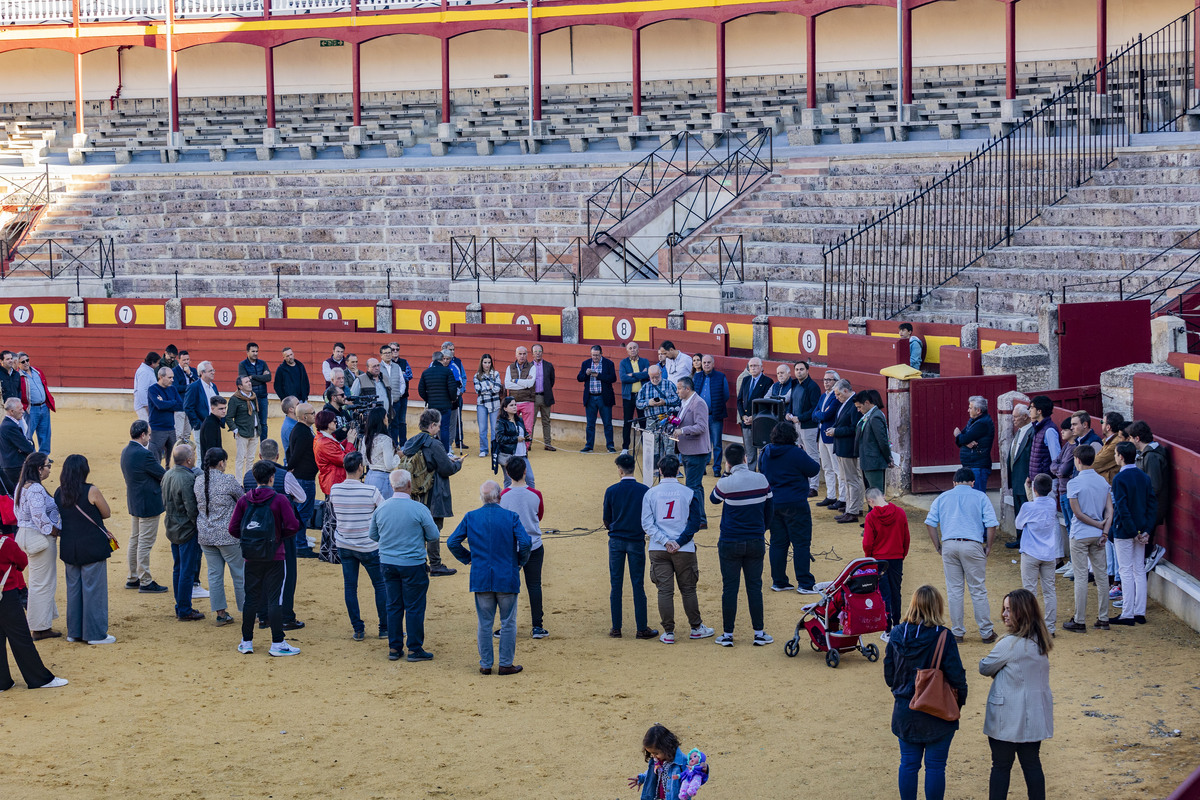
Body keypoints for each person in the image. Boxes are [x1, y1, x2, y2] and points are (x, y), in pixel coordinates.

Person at [883, 585, 968, 800]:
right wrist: (957, 704)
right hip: (937, 710)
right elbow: (957, 676)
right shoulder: (943, 636)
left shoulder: (896, 633)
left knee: (909, 764)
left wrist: (901, 691)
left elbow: (889, 675)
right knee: (936, 767)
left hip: (905, 710)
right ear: (936, 607)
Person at [447, 480, 532, 675]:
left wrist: (469, 559)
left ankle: (486, 663)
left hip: (482, 575)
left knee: (484, 623)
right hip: (506, 575)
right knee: (508, 621)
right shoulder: (511, 517)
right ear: (500, 497)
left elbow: (452, 542)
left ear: (482, 498)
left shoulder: (471, 517)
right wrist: (519, 561)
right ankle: (505, 663)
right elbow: (525, 543)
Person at [980, 589, 1054, 800]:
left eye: (1009, 610)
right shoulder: (1041, 642)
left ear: (1021, 613)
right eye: (1004, 609)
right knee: (1032, 765)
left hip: (1006, 718)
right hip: (1034, 717)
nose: (1004, 614)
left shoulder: (1008, 644)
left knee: (1001, 767)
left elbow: (985, 667)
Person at [229, 460, 301, 657]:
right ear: (272, 478)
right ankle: (277, 642)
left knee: (251, 598)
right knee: (274, 598)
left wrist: (250, 541)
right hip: (275, 555)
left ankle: (246, 641)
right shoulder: (279, 500)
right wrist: (278, 537)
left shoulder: (244, 500)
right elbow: (293, 526)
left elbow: (233, 528)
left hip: (251, 556)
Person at [371, 469, 439, 662]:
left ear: (392, 486)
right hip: (413, 563)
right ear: (409, 485)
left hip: (388, 563)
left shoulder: (381, 508)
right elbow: (433, 535)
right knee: (414, 606)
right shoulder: (419, 509)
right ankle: (414, 648)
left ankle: (394, 647)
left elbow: (373, 535)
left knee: (393, 605)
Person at [709, 443, 773, 647]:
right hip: (755, 539)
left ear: (727, 463)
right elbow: (769, 510)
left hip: (730, 540)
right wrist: (761, 529)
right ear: (746, 458)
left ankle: (728, 634)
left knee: (730, 588)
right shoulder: (761, 479)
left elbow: (714, 499)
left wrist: (726, 475)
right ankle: (759, 632)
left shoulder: (726, 483)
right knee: (755, 587)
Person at [924, 467, 998, 644]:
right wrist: (988, 546)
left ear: (954, 483)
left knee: (954, 590)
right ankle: (986, 632)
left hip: (949, 544)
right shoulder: (980, 496)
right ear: (972, 482)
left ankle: (957, 632)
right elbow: (991, 524)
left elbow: (930, 523)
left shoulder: (943, 497)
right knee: (978, 589)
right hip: (972, 544)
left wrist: (938, 546)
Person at [642, 454, 709, 644]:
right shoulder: (688, 492)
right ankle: (696, 628)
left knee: (664, 591)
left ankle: (669, 632)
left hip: (658, 548)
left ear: (660, 471)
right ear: (679, 471)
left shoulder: (651, 493)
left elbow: (647, 524)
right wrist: (679, 542)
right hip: (684, 549)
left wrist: (665, 541)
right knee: (688, 589)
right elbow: (695, 523)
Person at [242, 439, 306, 631]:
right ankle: (285, 616)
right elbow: (302, 497)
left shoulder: (247, 476)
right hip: (281, 534)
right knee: (286, 576)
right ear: (278, 456)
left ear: (260, 456)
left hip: (254, 535)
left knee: (258, 575)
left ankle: (263, 617)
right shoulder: (285, 476)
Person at [54, 454, 115, 644]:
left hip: (69, 547)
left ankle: (74, 632)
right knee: (93, 591)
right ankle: (95, 634)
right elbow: (106, 513)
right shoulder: (91, 490)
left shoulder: (59, 492)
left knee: (74, 591)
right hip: (91, 546)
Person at [329, 451, 387, 642]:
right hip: (368, 545)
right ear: (361, 467)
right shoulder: (371, 491)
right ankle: (384, 627)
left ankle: (358, 629)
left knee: (350, 587)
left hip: (345, 544)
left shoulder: (335, 490)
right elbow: (384, 513)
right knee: (380, 585)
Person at [0, 530, 67, 690]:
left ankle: (2, 681)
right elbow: (22, 562)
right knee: (21, 638)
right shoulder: (6, 544)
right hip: (7, 595)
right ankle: (39, 678)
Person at [758, 421, 820, 593]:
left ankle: (779, 581)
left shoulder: (766, 452)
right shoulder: (795, 452)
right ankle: (805, 583)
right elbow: (814, 469)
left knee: (778, 542)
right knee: (801, 543)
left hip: (773, 502)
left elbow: (761, 471)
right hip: (795, 503)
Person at [400, 409, 462, 577]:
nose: (439, 428)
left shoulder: (412, 441)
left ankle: (420, 562)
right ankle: (435, 564)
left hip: (416, 491)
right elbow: (446, 469)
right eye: (438, 425)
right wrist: (458, 464)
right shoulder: (434, 443)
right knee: (434, 527)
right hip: (434, 491)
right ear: (433, 425)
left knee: (419, 528)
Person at [603, 453, 655, 640]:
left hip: (616, 540)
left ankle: (616, 628)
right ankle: (641, 628)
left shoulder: (611, 491)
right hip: (635, 540)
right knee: (637, 584)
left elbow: (606, 520)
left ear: (620, 470)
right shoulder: (644, 490)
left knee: (616, 584)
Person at [1063, 444, 1112, 633]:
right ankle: (1103, 618)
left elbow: (1078, 513)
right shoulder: (1102, 481)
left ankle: (1080, 620)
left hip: (1081, 534)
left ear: (1077, 460)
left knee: (1081, 576)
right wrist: (1104, 530)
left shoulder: (1073, 483)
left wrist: (1098, 525)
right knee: (1101, 576)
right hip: (1098, 535)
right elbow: (1110, 510)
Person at [195, 447, 245, 626]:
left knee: (214, 575)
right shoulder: (228, 480)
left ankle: (221, 614)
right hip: (227, 536)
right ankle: (247, 611)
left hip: (206, 534)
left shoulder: (199, 481)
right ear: (222, 463)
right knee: (239, 574)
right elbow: (243, 499)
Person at [500, 458, 548, 639]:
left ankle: (506, 625)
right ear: (525, 472)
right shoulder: (536, 494)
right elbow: (539, 515)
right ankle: (537, 626)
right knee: (534, 585)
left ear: (508, 474)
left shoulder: (503, 495)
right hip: (533, 543)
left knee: (508, 588)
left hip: (511, 547)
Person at [15, 453, 61, 639]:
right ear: (39, 469)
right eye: (47, 465)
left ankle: (42, 623)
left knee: (37, 581)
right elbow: (39, 517)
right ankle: (40, 627)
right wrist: (55, 531)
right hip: (39, 538)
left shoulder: (21, 486)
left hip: (26, 535)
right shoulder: (35, 489)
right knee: (43, 583)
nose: (49, 468)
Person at [120, 420, 168, 594]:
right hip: (148, 503)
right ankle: (145, 581)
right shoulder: (144, 454)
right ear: (142, 435)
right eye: (148, 433)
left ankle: (133, 577)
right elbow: (162, 474)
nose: (150, 436)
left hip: (135, 501)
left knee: (135, 539)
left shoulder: (126, 451)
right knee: (145, 543)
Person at [1110, 441, 1155, 626]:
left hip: (1124, 530)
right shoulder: (1144, 477)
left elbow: (1122, 507)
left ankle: (1127, 613)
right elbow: (1152, 506)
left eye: (1115, 454)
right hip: (1141, 530)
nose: (1114, 456)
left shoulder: (1119, 479)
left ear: (1120, 456)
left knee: (1126, 570)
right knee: (1139, 569)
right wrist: (1145, 531)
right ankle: (1139, 612)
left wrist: (1133, 531)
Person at [161, 444, 205, 622]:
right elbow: (191, 509)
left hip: (171, 525)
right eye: (193, 455)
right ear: (188, 460)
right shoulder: (187, 478)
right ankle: (185, 609)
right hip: (186, 528)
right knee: (187, 569)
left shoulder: (168, 474)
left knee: (178, 568)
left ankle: (181, 606)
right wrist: (199, 525)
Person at [1013, 473, 1060, 636]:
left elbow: (1018, 524)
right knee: (1049, 591)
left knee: (1029, 591)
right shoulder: (1052, 503)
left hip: (1031, 553)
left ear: (1034, 489)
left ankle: (1030, 627)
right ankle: (1050, 628)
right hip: (1048, 553)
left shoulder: (1028, 507)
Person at [863, 488, 910, 635]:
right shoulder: (900, 513)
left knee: (884, 593)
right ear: (883, 496)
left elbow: (867, 543)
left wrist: (869, 558)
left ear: (870, 501)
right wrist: (902, 555)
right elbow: (906, 538)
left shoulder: (871, 517)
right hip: (896, 557)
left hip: (879, 560)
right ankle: (897, 624)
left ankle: (887, 628)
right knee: (896, 592)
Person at [1127, 420, 1169, 571]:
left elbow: (1154, 486)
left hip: (1151, 507)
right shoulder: (1148, 454)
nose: (1130, 441)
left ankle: (1153, 551)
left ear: (1137, 438)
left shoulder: (1151, 456)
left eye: (1131, 438)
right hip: (1149, 505)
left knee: (1143, 544)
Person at [674, 376, 711, 528]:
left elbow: (701, 427)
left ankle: (697, 519)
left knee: (692, 486)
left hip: (696, 451)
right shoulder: (686, 402)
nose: (677, 392)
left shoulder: (698, 403)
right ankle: (700, 518)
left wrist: (682, 430)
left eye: (679, 388)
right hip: (689, 449)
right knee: (695, 486)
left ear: (687, 389)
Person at [829, 379, 864, 524]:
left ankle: (853, 511)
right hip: (843, 447)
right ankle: (852, 508)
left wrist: (836, 431)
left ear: (845, 390)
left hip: (848, 448)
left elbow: (855, 428)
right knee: (847, 479)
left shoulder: (854, 404)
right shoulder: (847, 404)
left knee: (851, 480)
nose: (837, 397)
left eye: (838, 394)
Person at [286, 403, 319, 558]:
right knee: (303, 513)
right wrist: (291, 467)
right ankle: (300, 545)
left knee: (301, 512)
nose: (315, 415)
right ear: (305, 417)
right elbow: (297, 454)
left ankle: (299, 544)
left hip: (302, 476)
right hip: (304, 478)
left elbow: (289, 451)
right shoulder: (304, 432)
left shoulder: (298, 430)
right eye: (312, 413)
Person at [629, 724, 695, 800]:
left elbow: (694, 775)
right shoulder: (657, 761)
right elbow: (653, 773)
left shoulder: (682, 761)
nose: (653, 756)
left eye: (656, 753)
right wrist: (642, 778)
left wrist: (703, 771)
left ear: (666, 747)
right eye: (651, 753)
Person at [786, 361, 821, 497]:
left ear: (807, 370)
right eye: (796, 369)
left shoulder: (813, 387)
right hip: (796, 424)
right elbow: (792, 402)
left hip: (808, 425)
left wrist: (800, 417)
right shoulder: (794, 384)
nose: (798, 372)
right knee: (800, 453)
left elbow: (814, 408)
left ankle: (814, 486)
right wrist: (788, 413)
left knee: (812, 454)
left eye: (801, 369)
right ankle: (803, 483)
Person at [693, 355, 729, 478]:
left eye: (709, 362)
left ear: (713, 364)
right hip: (700, 417)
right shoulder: (696, 377)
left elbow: (726, 395)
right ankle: (702, 467)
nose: (706, 364)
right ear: (701, 364)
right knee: (702, 443)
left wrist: (715, 407)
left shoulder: (720, 377)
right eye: (704, 362)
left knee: (717, 443)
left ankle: (717, 468)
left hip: (715, 415)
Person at [577, 345, 617, 453]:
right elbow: (579, 378)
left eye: (597, 355)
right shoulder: (586, 363)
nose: (595, 357)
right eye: (593, 355)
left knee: (607, 423)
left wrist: (598, 375)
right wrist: (586, 374)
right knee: (590, 424)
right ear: (591, 354)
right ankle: (589, 446)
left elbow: (613, 378)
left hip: (603, 397)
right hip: (590, 397)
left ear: (601, 354)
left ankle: (610, 446)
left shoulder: (609, 363)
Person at [1048, 417, 1077, 568]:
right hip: (1063, 489)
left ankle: (1074, 562)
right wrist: (1060, 471)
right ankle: (1072, 561)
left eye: (1065, 430)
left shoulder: (1073, 448)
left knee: (1072, 527)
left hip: (1068, 491)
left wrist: (1059, 470)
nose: (1062, 432)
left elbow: (1063, 469)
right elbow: (1055, 465)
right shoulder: (1067, 446)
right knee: (1068, 525)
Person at [813, 371, 844, 511]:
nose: (826, 382)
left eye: (829, 380)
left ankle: (842, 498)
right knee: (826, 467)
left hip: (831, 435)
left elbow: (826, 415)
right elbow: (815, 414)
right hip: (822, 435)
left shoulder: (836, 397)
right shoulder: (823, 396)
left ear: (836, 381)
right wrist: (821, 414)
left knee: (837, 468)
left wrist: (820, 414)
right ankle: (831, 495)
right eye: (824, 379)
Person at [1005, 404, 1034, 549]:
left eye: (1016, 417)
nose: (1013, 420)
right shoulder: (1020, 432)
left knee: (1025, 510)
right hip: (1017, 478)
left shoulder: (1032, 432)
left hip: (1025, 479)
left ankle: (1026, 540)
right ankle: (1020, 538)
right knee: (1019, 510)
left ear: (1025, 416)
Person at [418, 350, 458, 452]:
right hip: (445, 405)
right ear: (441, 359)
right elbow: (452, 389)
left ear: (433, 359)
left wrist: (428, 399)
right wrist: (452, 399)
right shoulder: (447, 372)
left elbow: (421, 390)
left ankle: (431, 450)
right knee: (444, 428)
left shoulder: (426, 372)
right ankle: (445, 451)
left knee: (431, 428)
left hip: (432, 405)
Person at [736, 357, 772, 467]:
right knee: (750, 453)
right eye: (751, 366)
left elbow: (767, 403)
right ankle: (751, 476)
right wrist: (743, 416)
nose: (753, 368)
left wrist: (754, 417)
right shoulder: (746, 380)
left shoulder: (767, 381)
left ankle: (763, 477)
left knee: (762, 452)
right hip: (746, 422)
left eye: (756, 366)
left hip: (760, 423)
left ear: (761, 368)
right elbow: (739, 400)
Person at [953, 396, 995, 492]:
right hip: (972, 465)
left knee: (976, 495)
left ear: (978, 410)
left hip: (977, 466)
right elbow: (962, 438)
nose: (968, 410)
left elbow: (962, 437)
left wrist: (960, 437)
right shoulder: (974, 420)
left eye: (970, 408)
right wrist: (965, 441)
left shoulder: (982, 423)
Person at [855, 389, 891, 496]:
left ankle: (877, 513)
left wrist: (888, 458)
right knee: (872, 493)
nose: (858, 410)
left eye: (859, 407)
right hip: (869, 461)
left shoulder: (875, 416)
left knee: (876, 493)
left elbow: (882, 441)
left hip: (874, 462)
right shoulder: (872, 415)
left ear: (866, 403)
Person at [493, 397, 535, 489]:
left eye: (515, 405)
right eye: (511, 405)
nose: (515, 407)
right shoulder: (501, 422)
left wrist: (527, 437)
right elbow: (500, 438)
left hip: (522, 454)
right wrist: (516, 439)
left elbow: (524, 432)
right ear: (505, 408)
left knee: (530, 479)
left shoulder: (519, 420)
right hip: (508, 455)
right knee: (509, 480)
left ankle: (531, 498)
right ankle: (506, 501)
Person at [16, 352, 53, 455]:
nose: (26, 363)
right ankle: (32, 456)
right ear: (18, 364)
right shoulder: (18, 376)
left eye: (27, 360)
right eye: (23, 362)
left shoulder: (37, 371)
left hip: (44, 406)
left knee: (45, 433)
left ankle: (44, 456)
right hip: (30, 409)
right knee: (28, 434)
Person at [314, 409, 356, 498]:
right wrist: (350, 442)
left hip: (335, 481)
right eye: (334, 421)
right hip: (334, 482)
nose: (336, 423)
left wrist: (348, 440)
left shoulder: (326, 438)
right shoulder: (324, 442)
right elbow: (344, 459)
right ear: (328, 424)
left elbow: (337, 449)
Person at [619, 341, 651, 455]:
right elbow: (623, 378)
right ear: (627, 351)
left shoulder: (645, 361)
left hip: (642, 397)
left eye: (634, 348)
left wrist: (632, 374)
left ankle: (645, 447)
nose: (632, 350)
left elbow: (647, 375)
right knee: (627, 422)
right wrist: (639, 376)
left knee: (644, 422)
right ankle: (625, 448)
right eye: (630, 348)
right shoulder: (623, 363)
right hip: (629, 396)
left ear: (638, 349)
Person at [359, 407, 398, 500]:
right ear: (382, 420)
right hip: (383, 478)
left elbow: (363, 462)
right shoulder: (386, 440)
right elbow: (389, 465)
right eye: (386, 417)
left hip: (369, 476)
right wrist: (397, 456)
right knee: (384, 510)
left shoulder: (366, 438)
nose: (387, 419)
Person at [147, 366, 182, 468]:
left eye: (172, 377)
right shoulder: (153, 389)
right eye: (170, 377)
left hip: (171, 428)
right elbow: (159, 405)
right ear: (161, 377)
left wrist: (166, 403)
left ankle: (168, 482)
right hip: (157, 429)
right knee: (155, 458)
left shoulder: (173, 389)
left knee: (172, 459)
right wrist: (172, 402)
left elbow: (180, 405)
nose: (172, 380)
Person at [227, 376, 260, 481]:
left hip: (254, 431)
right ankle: (239, 482)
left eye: (249, 381)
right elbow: (228, 417)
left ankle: (248, 481)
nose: (250, 383)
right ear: (240, 386)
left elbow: (256, 414)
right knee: (240, 459)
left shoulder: (253, 396)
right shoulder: (234, 399)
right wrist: (235, 430)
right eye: (246, 382)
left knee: (250, 459)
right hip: (242, 432)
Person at [379, 344, 412, 447]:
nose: (388, 355)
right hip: (383, 402)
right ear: (381, 355)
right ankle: (386, 446)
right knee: (384, 424)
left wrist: (399, 393)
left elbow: (402, 383)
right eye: (386, 353)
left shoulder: (397, 366)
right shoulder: (378, 367)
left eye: (389, 352)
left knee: (395, 423)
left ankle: (394, 445)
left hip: (396, 400)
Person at [237, 343, 272, 440]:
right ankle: (250, 444)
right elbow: (245, 381)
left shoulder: (262, 363)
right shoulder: (242, 364)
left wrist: (253, 377)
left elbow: (268, 377)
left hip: (262, 397)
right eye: (253, 351)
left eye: (257, 351)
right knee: (250, 422)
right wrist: (261, 378)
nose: (255, 353)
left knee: (263, 423)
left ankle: (263, 445)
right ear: (247, 352)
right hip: (249, 398)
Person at [635, 365, 680, 437]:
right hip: (651, 421)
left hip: (667, 420)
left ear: (661, 373)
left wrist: (665, 402)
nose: (655, 379)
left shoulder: (669, 384)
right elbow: (638, 403)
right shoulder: (645, 387)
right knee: (652, 446)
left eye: (657, 377)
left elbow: (678, 399)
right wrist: (648, 403)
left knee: (667, 446)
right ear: (649, 376)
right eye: (652, 377)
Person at [0, 397, 34, 492]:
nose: (23, 411)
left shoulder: (10, 424)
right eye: (20, 409)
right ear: (12, 411)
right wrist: (27, 445)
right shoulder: (10, 426)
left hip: (12, 465)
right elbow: (28, 447)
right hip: (14, 467)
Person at [184, 360, 220, 446]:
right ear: (201, 373)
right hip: (201, 425)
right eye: (210, 371)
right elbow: (188, 407)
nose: (213, 372)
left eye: (213, 370)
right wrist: (197, 424)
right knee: (202, 454)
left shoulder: (213, 386)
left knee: (214, 451)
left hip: (214, 425)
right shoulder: (194, 387)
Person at [473, 354, 502, 460]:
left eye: (489, 362)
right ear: (481, 363)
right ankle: (483, 450)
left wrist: (485, 387)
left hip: (494, 404)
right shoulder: (477, 375)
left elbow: (497, 388)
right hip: (482, 404)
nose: (487, 365)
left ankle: (495, 450)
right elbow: (478, 390)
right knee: (482, 429)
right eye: (485, 362)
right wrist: (490, 386)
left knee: (495, 429)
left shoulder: (496, 374)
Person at [504, 346, 537, 436]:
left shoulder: (532, 367)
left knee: (528, 428)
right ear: (516, 355)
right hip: (513, 401)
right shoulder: (510, 367)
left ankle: (525, 449)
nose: (522, 356)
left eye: (524, 354)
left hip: (527, 401)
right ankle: (515, 449)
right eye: (520, 354)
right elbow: (507, 385)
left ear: (527, 355)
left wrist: (515, 380)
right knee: (512, 427)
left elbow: (530, 384)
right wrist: (524, 383)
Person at [530, 344, 557, 451]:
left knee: (546, 421)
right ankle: (528, 444)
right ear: (532, 354)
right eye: (535, 351)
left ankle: (548, 443)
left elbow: (552, 381)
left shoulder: (549, 365)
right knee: (530, 422)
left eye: (539, 351)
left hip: (545, 396)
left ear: (542, 352)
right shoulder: (529, 366)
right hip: (533, 397)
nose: (537, 353)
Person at [1090, 411, 1125, 483]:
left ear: (1108, 427)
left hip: (1109, 485)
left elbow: (1095, 464)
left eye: (1102, 422)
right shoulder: (1107, 440)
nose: (1101, 424)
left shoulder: (1116, 442)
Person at [198, 396, 227, 466]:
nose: (224, 411)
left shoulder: (214, 421)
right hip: (211, 466)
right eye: (221, 409)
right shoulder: (210, 424)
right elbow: (211, 449)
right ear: (212, 409)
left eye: (225, 408)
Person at [133, 351, 160, 422]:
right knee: (148, 428)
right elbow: (142, 390)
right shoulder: (144, 372)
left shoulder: (146, 370)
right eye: (157, 363)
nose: (158, 365)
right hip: (143, 406)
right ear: (152, 363)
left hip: (147, 404)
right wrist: (146, 406)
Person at [278, 397, 299, 464]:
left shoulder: (295, 423)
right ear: (291, 409)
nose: (301, 405)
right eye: (298, 404)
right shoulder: (290, 428)